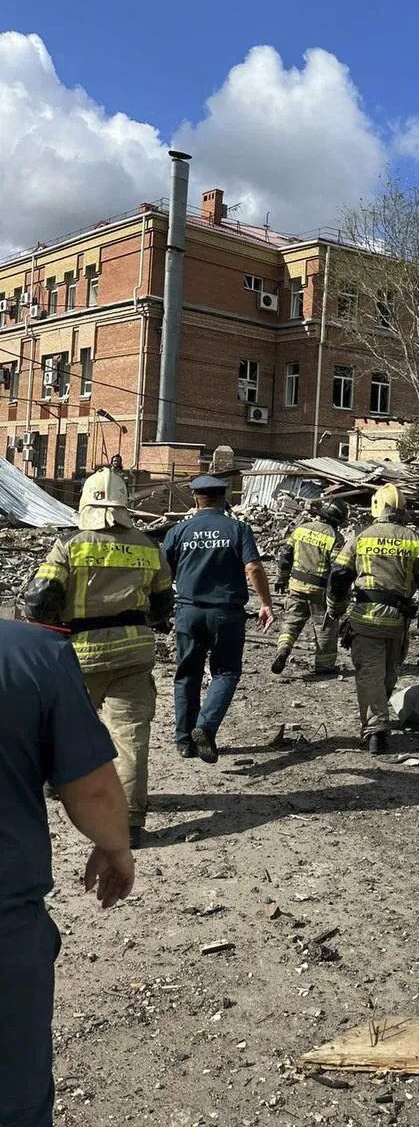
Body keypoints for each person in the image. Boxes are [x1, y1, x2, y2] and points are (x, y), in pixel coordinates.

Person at [0, 618, 135, 1127]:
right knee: (11, 1090)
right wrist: (115, 846)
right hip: (4, 923)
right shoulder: (31, 652)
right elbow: (92, 788)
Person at [22, 468, 173, 850]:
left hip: (81, 655)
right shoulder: (147, 545)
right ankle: (130, 825)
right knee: (130, 738)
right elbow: (163, 604)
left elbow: (40, 601)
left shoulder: (69, 546)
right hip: (134, 653)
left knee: (66, 728)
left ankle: (59, 787)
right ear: (125, 504)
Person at [162, 475, 274, 764]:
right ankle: (206, 726)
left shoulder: (179, 531)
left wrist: (161, 610)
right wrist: (265, 603)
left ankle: (185, 742)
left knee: (187, 675)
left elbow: (162, 574)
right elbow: (254, 567)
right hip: (226, 614)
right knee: (225, 672)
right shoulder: (238, 529)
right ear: (224, 499)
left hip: (188, 613)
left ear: (196, 499)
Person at [327, 484, 419, 754]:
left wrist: (336, 607)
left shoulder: (362, 537)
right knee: (388, 675)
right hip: (397, 622)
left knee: (369, 675)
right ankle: (378, 720)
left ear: (376, 507)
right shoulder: (415, 540)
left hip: (365, 619)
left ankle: (376, 729)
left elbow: (340, 575)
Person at [272, 498, 349, 676]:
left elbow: (285, 555)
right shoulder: (335, 537)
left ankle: (283, 648)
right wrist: (339, 596)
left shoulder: (301, 529)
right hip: (319, 590)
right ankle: (324, 666)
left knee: (292, 620)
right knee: (325, 627)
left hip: (296, 585)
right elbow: (337, 569)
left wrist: (280, 577)